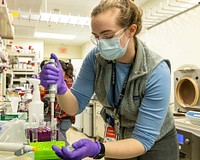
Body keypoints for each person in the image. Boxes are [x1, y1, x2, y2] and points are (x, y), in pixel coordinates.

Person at [40, 0, 179, 159]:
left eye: (108, 35)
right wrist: (61, 88)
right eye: (97, 37)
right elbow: (74, 107)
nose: (101, 43)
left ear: (131, 30)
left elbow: (142, 140)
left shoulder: (156, 70)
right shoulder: (96, 58)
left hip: (156, 143)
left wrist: (98, 149)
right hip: (118, 135)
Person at [40, 59, 75, 141]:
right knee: (57, 136)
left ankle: (66, 151)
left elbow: (62, 95)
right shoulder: (57, 82)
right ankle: (63, 150)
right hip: (57, 116)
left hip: (64, 117)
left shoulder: (67, 82)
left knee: (60, 136)